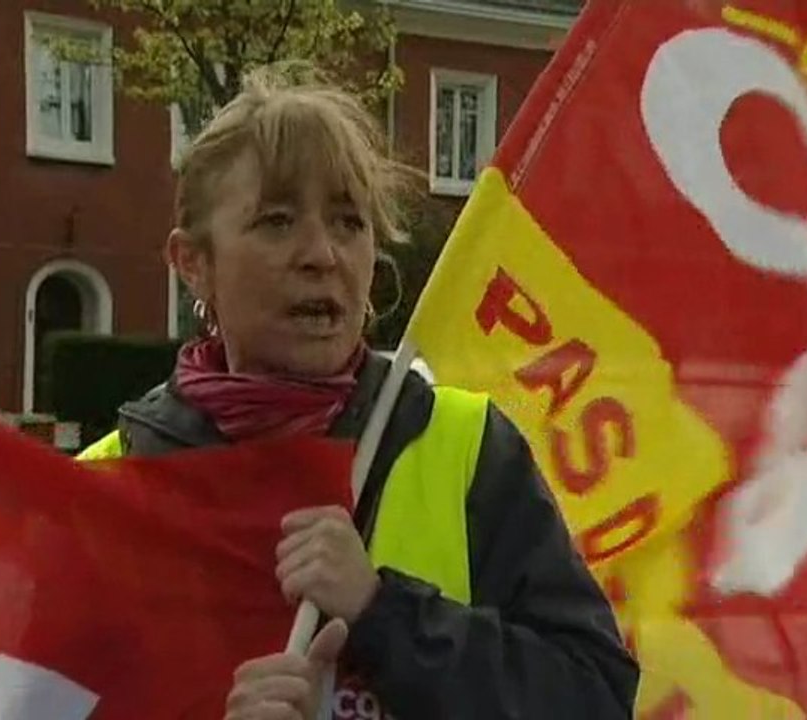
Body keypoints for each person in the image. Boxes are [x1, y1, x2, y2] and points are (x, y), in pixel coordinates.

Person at [79, 63, 638, 719]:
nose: (322, 253)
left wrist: (385, 614)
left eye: (348, 222)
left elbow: (592, 696)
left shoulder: (463, 447)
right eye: (277, 221)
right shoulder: (103, 490)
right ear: (192, 263)